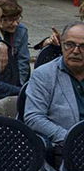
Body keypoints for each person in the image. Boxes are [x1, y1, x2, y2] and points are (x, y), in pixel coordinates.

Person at [23, 21, 84, 152]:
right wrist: (69, 138)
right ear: (61, 45)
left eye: (83, 46)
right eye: (70, 45)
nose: (76, 51)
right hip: (64, 148)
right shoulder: (44, 75)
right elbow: (33, 117)